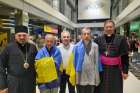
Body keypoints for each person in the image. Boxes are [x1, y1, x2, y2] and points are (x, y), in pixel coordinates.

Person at [94, 20, 129, 93]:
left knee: (115, 88)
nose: (109, 29)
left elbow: (125, 56)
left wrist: (125, 71)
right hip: (101, 69)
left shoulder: (121, 39)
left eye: (110, 27)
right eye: (107, 27)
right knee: (101, 88)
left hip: (115, 69)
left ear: (114, 28)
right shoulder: (98, 40)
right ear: (104, 28)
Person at [0, 25, 37, 93]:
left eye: (24, 35)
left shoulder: (33, 47)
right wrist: (3, 85)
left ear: (27, 36)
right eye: (19, 35)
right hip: (13, 82)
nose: (22, 37)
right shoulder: (8, 48)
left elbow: (36, 65)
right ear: (15, 36)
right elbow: (1, 66)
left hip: (29, 82)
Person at [69, 27, 101, 93]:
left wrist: (97, 78)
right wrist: (74, 77)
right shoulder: (76, 47)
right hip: (80, 76)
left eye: (88, 34)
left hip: (91, 76)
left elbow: (96, 63)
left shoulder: (95, 46)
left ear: (90, 35)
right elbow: (74, 63)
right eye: (84, 34)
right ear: (81, 35)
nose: (86, 35)